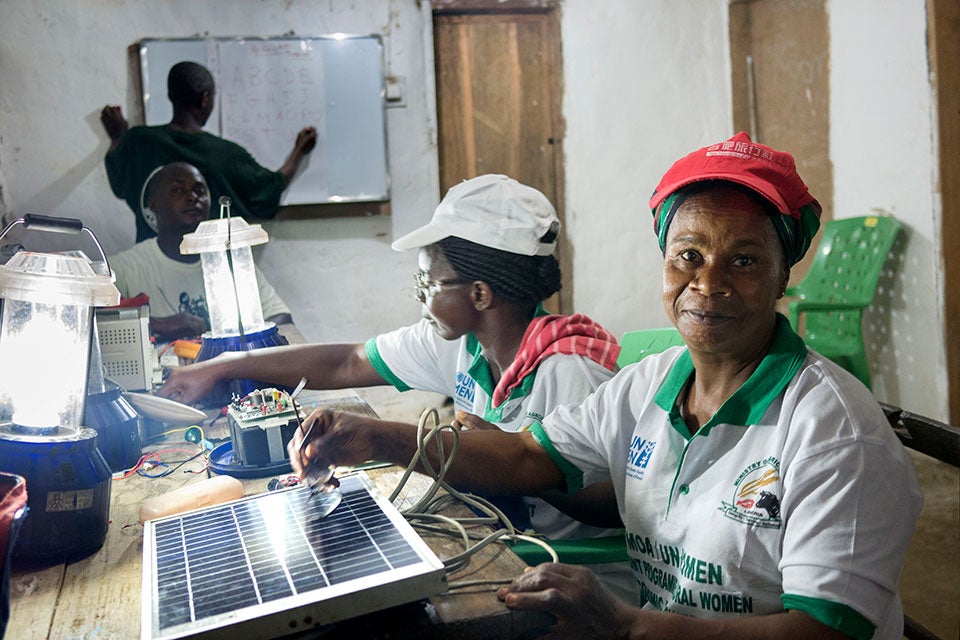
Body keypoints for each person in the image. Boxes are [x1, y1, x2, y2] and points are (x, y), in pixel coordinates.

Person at [282, 133, 923, 639]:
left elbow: (826, 633)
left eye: (746, 260)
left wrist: (625, 626)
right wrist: (378, 437)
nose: (709, 282)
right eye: (688, 255)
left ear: (785, 276)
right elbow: (531, 455)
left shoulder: (831, 429)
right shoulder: (647, 386)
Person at [158, 174, 638, 601]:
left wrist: (507, 460)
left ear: (479, 294)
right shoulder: (460, 344)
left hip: (575, 581)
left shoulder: (571, 372)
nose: (420, 296)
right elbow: (347, 361)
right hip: (502, 535)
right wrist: (224, 364)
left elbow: (616, 507)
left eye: (427, 283)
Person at [101, 60, 317, 242]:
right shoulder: (226, 155)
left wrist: (119, 136)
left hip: (152, 267)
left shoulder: (139, 142)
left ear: (170, 95)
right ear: (205, 99)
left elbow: (119, 180)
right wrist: (299, 151)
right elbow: (271, 188)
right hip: (206, 269)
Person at [109, 162, 292, 342]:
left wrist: (247, 340)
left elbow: (280, 316)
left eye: (199, 190)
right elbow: (95, 322)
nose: (192, 197)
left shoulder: (232, 261)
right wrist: (155, 324)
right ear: (153, 204)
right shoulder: (124, 268)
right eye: (178, 190)